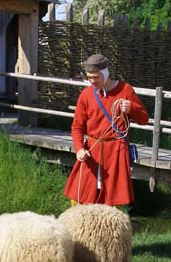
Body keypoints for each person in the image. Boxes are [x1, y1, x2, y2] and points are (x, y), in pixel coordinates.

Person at [63, 54, 149, 206]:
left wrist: (131, 108)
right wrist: (79, 149)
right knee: (81, 194)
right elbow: (77, 126)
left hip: (116, 150)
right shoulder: (86, 95)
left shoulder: (125, 90)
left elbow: (143, 119)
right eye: (89, 77)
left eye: (95, 77)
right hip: (92, 151)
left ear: (105, 74)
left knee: (110, 199)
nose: (91, 81)